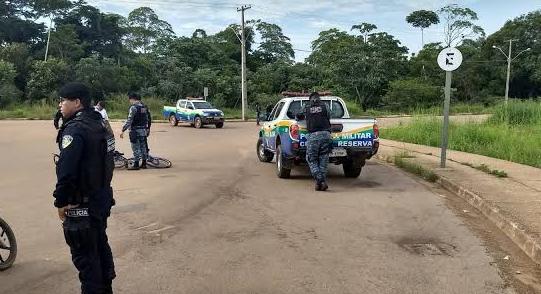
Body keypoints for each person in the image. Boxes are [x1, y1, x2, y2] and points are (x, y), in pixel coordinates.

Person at [53, 82, 116, 293]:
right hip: (101, 199)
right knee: (99, 250)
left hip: (82, 205)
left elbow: (67, 171)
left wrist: (60, 202)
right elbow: (109, 158)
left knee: (87, 263)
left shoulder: (75, 129)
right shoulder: (100, 123)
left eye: (63, 100)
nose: (60, 104)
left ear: (77, 102)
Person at [303, 92, 332, 191]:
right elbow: (329, 116)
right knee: (323, 160)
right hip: (326, 135)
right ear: (319, 98)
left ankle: (321, 180)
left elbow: (298, 116)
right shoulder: (325, 106)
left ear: (310, 99)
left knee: (311, 159)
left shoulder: (306, 107)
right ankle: (319, 184)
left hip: (313, 136)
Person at [120, 92, 151, 170]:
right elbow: (146, 119)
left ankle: (136, 164)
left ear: (132, 99)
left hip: (135, 130)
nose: (130, 101)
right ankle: (144, 163)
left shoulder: (133, 108)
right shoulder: (143, 107)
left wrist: (123, 129)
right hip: (143, 130)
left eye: (130, 100)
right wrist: (147, 128)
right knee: (143, 146)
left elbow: (129, 120)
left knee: (135, 147)